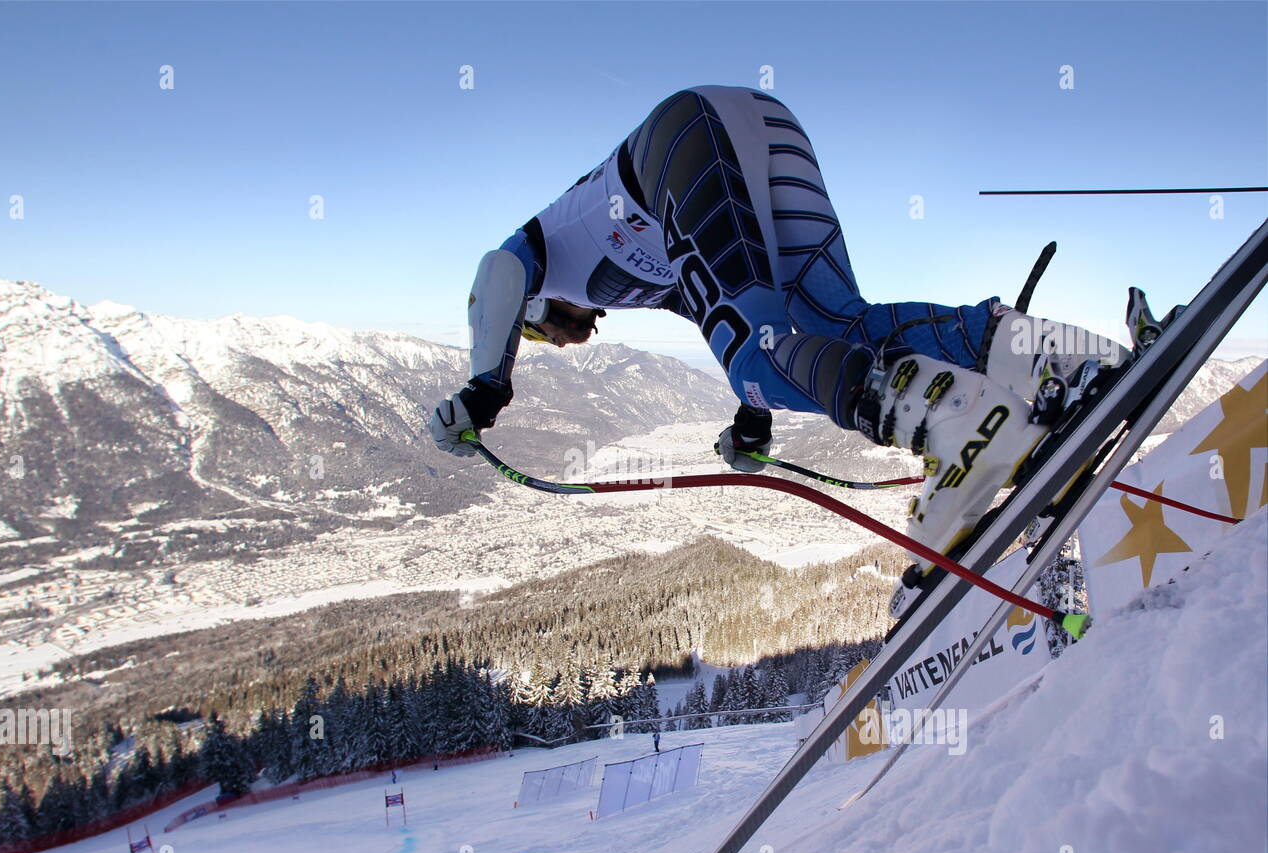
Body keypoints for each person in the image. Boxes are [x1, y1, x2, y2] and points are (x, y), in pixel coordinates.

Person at [431, 85, 1136, 562]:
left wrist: (485, 386)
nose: (563, 342)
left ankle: (961, 426)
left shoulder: (545, 262)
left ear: (532, 317)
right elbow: (744, 320)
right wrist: (754, 420)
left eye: (539, 335)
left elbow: (495, 270)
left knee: (766, 358)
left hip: (685, 140)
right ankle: (1049, 355)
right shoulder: (641, 279)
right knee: (839, 325)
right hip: (766, 124)